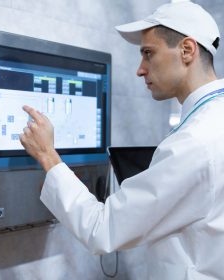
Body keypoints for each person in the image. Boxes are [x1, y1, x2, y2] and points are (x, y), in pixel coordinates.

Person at [19, 2, 224, 279]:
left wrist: (47, 155)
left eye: (148, 54)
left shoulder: (195, 142)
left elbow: (102, 230)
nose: (140, 69)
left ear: (187, 50)